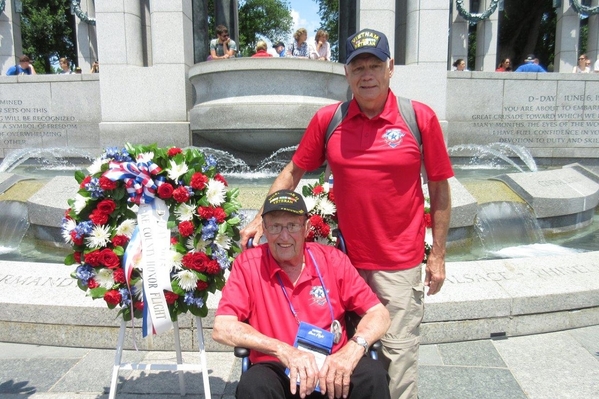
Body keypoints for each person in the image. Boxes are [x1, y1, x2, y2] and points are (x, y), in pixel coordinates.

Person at [241, 28, 454, 399]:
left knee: (397, 359)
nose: (366, 74)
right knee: (346, 355)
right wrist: (263, 215)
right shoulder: (330, 120)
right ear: (346, 73)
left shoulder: (419, 119)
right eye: (358, 67)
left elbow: (439, 189)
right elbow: (294, 171)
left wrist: (437, 254)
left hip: (398, 264)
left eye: (374, 65)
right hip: (343, 263)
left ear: (391, 69)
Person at [214, 189, 391, 399]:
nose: (284, 236)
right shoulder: (248, 265)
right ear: (264, 229)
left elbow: (379, 313)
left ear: (306, 228)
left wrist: (353, 350)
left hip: (333, 364)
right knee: (253, 385)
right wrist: (283, 350)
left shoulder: (332, 259)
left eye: (292, 225)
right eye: (276, 226)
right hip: (278, 367)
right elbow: (222, 328)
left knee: (373, 375)